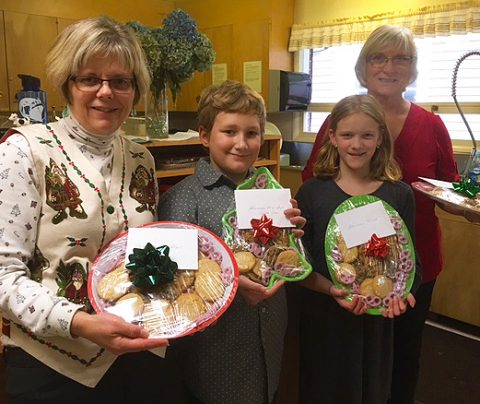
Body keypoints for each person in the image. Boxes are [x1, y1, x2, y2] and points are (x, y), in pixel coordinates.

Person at [0, 16, 169, 404]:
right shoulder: (24, 151)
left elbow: (149, 255)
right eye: (90, 78)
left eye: (120, 81)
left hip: (139, 356)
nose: (105, 92)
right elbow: (3, 274)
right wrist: (77, 322)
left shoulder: (142, 158)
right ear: (67, 84)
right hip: (55, 366)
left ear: (134, 90)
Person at [302, 25, 461, 404]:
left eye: (400, 58)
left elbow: (450, 184)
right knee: (339, 359)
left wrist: (468, 209)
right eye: (378, 57)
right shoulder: (342, 117)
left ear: (412, 68)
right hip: (343, 267)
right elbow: (315, 188)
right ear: (363, 65)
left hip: (411, 265)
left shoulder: (432, 125)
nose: (389, 67)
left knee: (400, 356)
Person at [158, 80, 305, 404]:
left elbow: (280, 255)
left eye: (251, 133)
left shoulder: (271, 191)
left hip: (268, 336)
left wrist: (291, 235)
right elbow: (175, 282)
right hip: (215, 349)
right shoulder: (183, 199)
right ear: (205, 136)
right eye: (229, 132)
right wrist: (231, 284)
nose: (241, 143)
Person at [296, 94, 420, 404]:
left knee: (371, 390)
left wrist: (404, 293)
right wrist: (331, 290)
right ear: (333, 138)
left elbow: (408, 259)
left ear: (380, 138)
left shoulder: (399, 194)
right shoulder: (313, 192)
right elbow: (301, 263)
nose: (356, 144)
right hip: (325, 319)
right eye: (348, 135)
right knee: (323, 389)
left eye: (366, 135)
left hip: (375, 323)